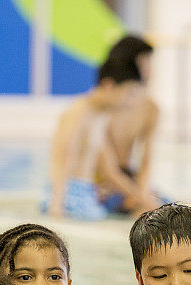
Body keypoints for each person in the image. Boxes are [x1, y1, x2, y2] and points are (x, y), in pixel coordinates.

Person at [48, 58, 156, 220]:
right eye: (128, 94)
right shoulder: (79, 111)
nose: (130, 102)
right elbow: (62, 156)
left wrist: (146, 201)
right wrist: (56, 205)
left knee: (140, 213)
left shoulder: (100, 117)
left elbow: (109, 171)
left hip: (84, 194)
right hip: (68, 195)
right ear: (108, 85)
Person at [96, 35, 160, 215]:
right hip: (101, 183)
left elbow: (147, 161)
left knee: (167, 210)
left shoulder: (151, 109)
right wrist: (140, 197)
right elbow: (106, 169)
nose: (149, 71)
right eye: (144, 63)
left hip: (130, 180)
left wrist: (142, 192)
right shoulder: (104, 107)